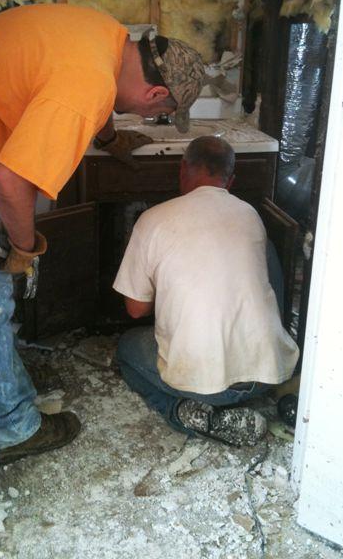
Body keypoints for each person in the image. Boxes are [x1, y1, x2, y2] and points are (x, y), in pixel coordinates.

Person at [0, 3, 205, 464]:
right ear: (156, 93)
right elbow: (11, 182)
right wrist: (25, 250)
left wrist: (107, 139)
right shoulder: (87, 84)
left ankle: (0, 387)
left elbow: (95, 95)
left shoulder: (107, 36)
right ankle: (12, 426)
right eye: (164, 112)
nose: (155, 118)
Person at [113, 136, 299, 446]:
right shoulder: (250, 215)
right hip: (265, 377)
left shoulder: (152, 220)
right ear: (231, 180)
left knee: (127, 349)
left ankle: (183, 412)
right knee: (264, 254)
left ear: (182, 169)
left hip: (200, 384)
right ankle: (226, 402)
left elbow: (135, 309)